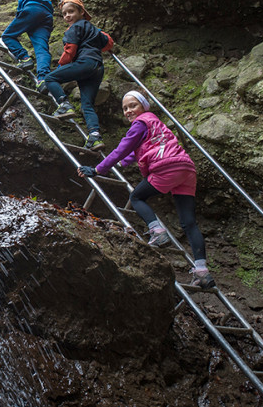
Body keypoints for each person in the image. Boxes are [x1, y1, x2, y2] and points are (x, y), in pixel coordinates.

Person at [77, 90, 215, 289]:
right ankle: (202, 271)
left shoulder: (140, 123)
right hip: (186, 168)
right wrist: (122, 164)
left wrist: (98, 169)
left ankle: (157, 231)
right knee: (189, 223)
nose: (128, 111)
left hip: (166, 166)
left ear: (143, 106)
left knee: (136, 198)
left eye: (133, 105)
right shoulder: (155, 124)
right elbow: (136, 151)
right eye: (125, 108)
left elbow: (122, 148)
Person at [43, 0, 112, 150]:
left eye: (71, 11)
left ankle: (64, 104)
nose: (68, 16)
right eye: (64, 14)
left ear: (81, 11)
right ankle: (95, 136)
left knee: (50, 78)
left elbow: (70, 50)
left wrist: (61, 66)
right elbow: (108, 42)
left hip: (85, 62)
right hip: (97, 67)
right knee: (87, 105)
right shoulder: (94, 29)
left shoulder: (74, 28)